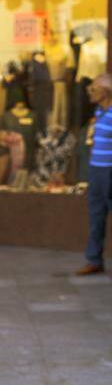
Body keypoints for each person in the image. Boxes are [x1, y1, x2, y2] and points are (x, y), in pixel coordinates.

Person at [78, 72, 112, 274]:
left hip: (110, 170)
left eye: (94, 88)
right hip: (96, 170)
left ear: (106, 92)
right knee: (96, 214)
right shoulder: (98, 113)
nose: (90, 92)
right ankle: (94, 259)